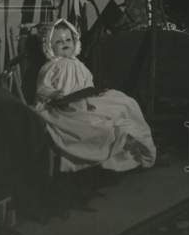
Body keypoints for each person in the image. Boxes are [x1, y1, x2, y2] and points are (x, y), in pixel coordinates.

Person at [34, 19, 157, 173]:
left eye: (68, 39)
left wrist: (95, 93)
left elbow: (87, 84)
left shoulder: (78, 63)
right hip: (65, 108)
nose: (65, 43)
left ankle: (135, 148)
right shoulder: (51, 67)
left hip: (86, 100)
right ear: (49, 47)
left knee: (125, 102)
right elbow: (42, 88)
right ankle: (105, 156)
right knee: (98, 124)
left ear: (75, 41)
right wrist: (54, 93)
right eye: (59, 42)